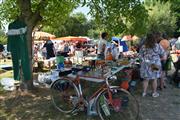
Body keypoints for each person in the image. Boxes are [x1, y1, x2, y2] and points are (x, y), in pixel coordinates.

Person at [139, 33, 166, 97]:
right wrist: (158, 59)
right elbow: (164, 56)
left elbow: (140, 56)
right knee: (154, 79)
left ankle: (144, 93)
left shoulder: (143, 46)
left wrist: (143, 61)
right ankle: (154, 93)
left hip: (146, 64)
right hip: (155, 65)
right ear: (154, 39)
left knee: (146, 79)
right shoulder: (158, 46)